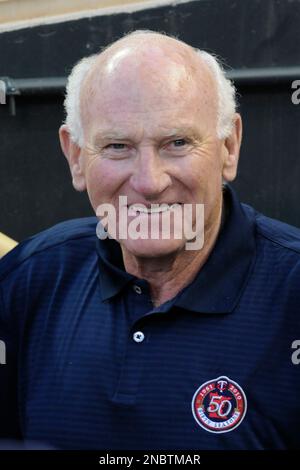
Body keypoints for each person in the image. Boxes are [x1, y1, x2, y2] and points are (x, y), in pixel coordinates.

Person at [0, 30, 299, 450]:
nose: (149, 182)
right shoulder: (31, 280)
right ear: (75, 157)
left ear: (228, 147)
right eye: (117, 146)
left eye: (177, 143)